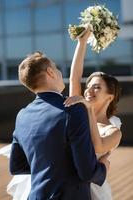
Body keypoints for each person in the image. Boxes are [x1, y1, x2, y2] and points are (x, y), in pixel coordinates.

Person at [7, 51, 110, 200]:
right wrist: (103, 168)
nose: (59, 72)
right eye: (56, 68)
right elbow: (87, 172)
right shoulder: (73, 109)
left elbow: (17, 166)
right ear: (50, 72)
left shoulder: (22, 115)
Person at [64, 30, 122, 199]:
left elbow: (98, 146)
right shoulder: (79, 111)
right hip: (66, 187)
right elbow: (75, 79)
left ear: (110, 96)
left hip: (93, 193)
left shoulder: (113, 131)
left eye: (96, 87)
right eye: (88, 86)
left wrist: (88, 109)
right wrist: (82, 43)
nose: (89, 90)